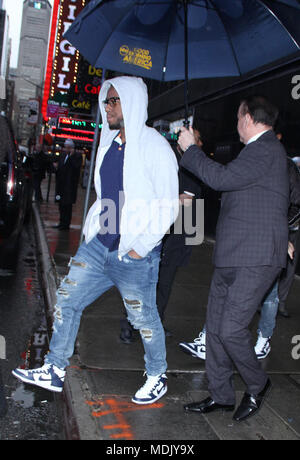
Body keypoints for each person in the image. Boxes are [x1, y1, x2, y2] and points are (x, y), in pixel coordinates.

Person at [12, 76, 179, 405]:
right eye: (106, 100)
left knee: (142, 318)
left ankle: (157, 374)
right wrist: (92, 227)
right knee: (67, 300)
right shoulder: (109, 143)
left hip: (134, 255)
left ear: (131, 103)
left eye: (114, 101)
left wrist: (138, 248)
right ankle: (54, 369)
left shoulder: (154, 146)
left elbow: (169, 206)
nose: (107, 106)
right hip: (100, 245)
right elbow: (107, 195)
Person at [178, 95, 289, 422]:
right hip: (232, 255)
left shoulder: (267, 148)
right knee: (215, 329)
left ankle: (258, 383)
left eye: (238, 116)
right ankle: (222, 395)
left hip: (255, 258)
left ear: (250, 118)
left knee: (230, 329)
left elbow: (220, 179)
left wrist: (191, 148)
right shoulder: (256, 153)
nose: (235, 123)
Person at [119, 129, 203, 343]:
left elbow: (196, 207)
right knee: (142, 282)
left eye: (198, 140)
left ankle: (154, 325)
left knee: (164, 285)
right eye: (193, 139)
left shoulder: (199, 167)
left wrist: (190, 241)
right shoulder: (168, 161)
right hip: (157, 233)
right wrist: (177, 198)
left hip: (179, 237)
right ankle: (129, 324)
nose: (196, 143)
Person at [179, 241, 295, 361]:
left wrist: (283, 238)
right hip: (243, 245)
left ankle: (264, 340)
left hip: (269, 248)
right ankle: (205, 342)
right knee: (225, 291)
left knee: (269, 297)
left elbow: (280, 222)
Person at [53, 138, 82, 230]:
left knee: (67, 206)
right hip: (61, 185)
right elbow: (60, 168)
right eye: (66, 147)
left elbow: (76, 167)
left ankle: (66, 224)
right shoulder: (62, 156)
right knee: (61, 205)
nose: (67, 149)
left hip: (69, 186)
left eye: (69, 147)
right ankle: (61, 222)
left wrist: (71, 157)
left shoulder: (76, 156)